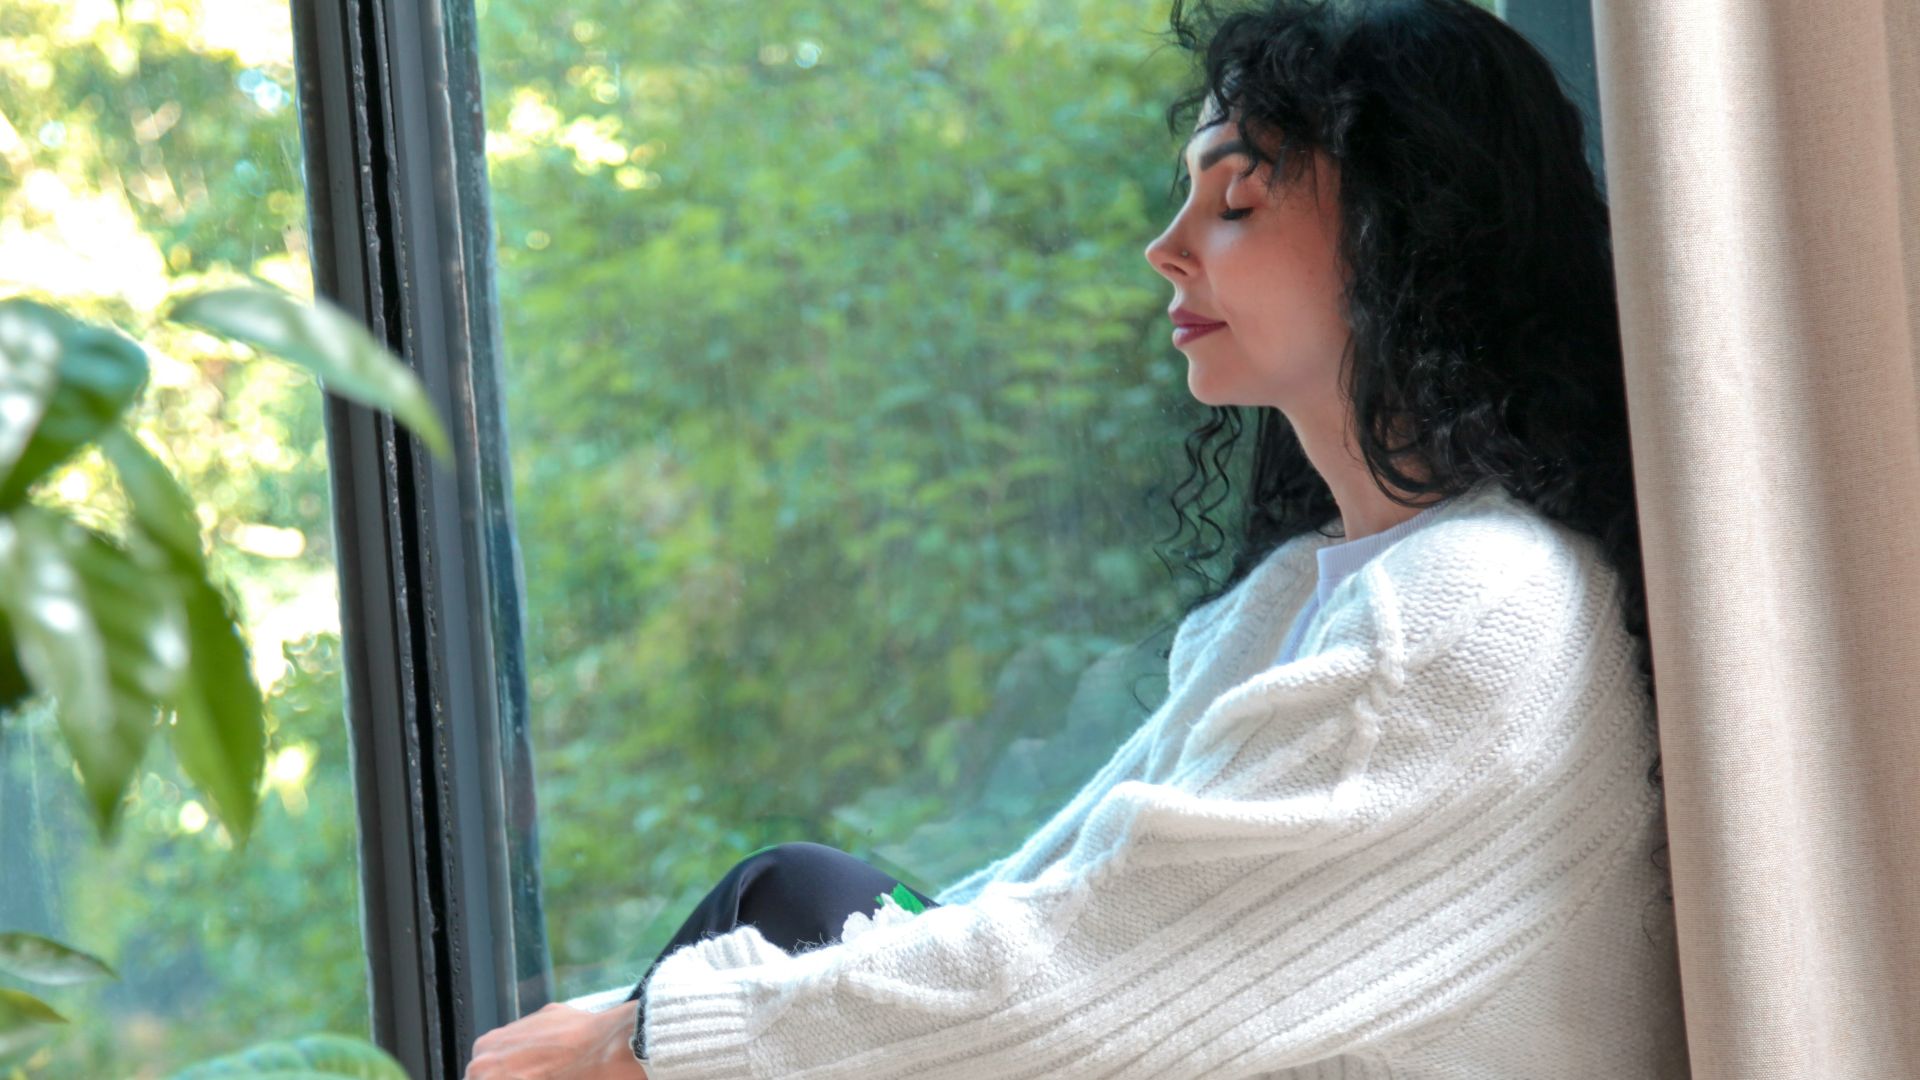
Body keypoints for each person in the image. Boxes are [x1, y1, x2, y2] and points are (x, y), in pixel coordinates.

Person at [464, 0, 1689, 1076]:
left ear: (1407, 233)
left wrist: (660, 1040)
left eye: (1238, 199)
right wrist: (652, 1030)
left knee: (776, 935)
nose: (1167, 246)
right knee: (794, 903)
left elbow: (1081, 971)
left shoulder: (1477, 612)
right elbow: (1052, 901)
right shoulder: (1297, 604)